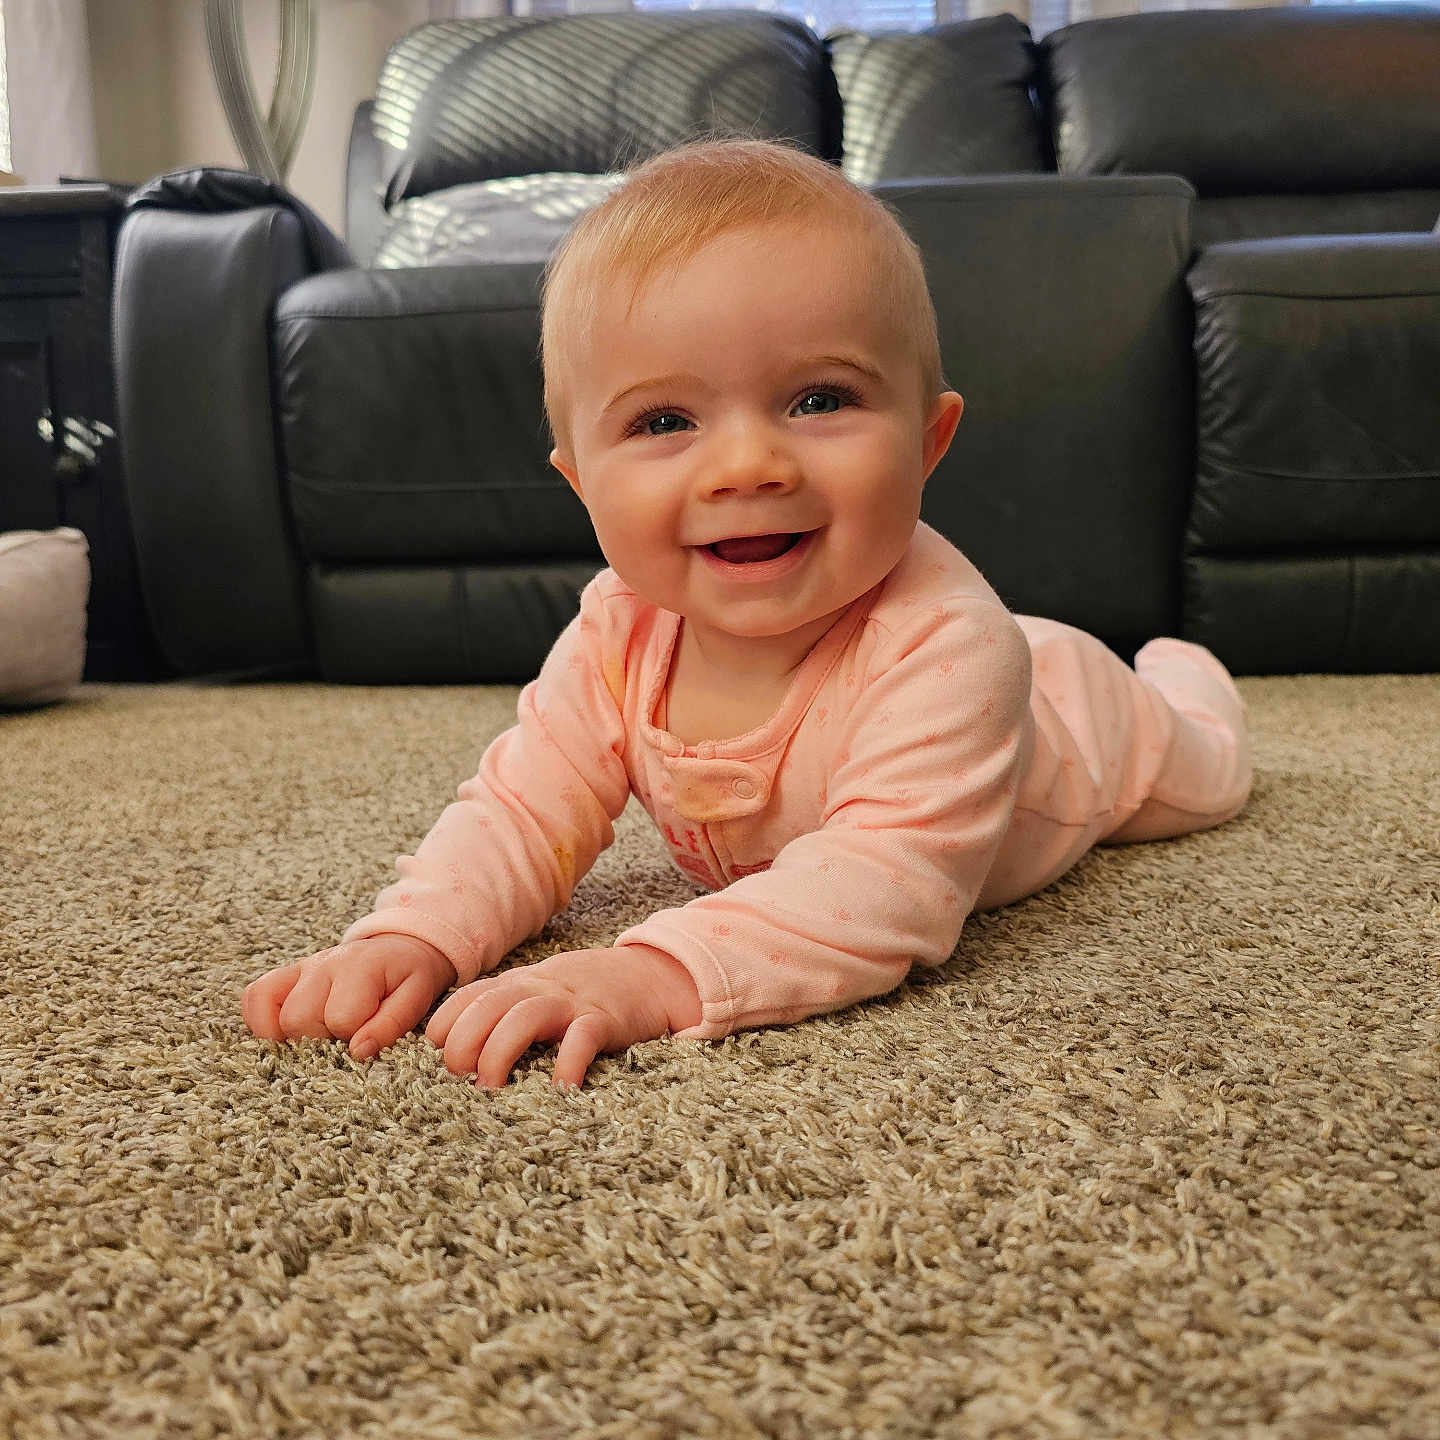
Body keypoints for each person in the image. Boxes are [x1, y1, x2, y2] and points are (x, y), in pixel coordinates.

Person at [242, 138, 1252, 1090]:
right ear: (581, 484)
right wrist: (411, 934)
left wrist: (649, 975)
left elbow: (882, 888)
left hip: (1077, 729)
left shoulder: (956, 651)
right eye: (664, 421)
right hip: (990, 670)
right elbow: (522, 808)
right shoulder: (619, 631)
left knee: (1209, 769)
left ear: (928, 439)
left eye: (818, 401)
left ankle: (1183, 670)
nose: (748, 467)